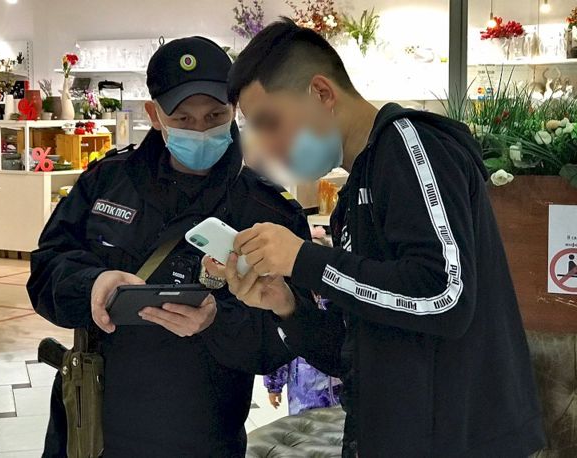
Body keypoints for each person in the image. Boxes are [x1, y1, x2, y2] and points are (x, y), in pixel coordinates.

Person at [205, 19, 546, 457]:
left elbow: (445, 296)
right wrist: (286, 305)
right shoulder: (354, 195)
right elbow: (354, 351)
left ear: (321, 93)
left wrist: (304, 259)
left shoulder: (411, 146)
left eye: (270, 123)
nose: (266, 147)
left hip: (459, 440)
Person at [27, 36, 311, 458]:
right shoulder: (106, 182)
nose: (200, 130)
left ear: (234, 109)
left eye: (214, 115)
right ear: (154, 115)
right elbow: (45, 270)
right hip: (92, 429)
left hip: (201, 435)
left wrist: (216, 320)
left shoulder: (266, 209)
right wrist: (92, 285)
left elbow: (287, 337)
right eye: (183, 118)